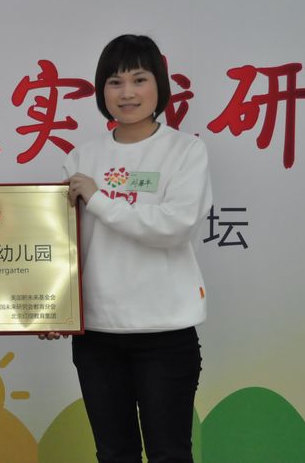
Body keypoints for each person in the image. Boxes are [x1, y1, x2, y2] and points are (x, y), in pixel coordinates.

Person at [54, 34, 212, 462]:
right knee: (113, 453)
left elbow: (174, 226)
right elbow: (64, 243)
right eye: (115, 82)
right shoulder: (81, 158)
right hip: (97, 335)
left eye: (139, 79)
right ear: (101, 91)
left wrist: (99, 199)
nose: (127, 93)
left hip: (166, 332)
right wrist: (54, 306)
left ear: (159, 85)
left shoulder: (186, 151)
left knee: (169, 453)